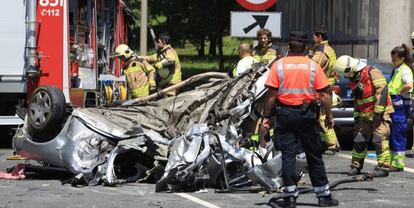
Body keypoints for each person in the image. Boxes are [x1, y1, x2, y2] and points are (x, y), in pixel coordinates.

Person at [261, 31, 338, 207]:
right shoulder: (313, 66)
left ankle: (290, 198)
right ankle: (324, 197)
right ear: (305, 47)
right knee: (314, 155)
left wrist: (266, 118)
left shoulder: (279, 66)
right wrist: (329, 116)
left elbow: (271, 96)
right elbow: (325, 95)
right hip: (307, 115)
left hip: (285, 115)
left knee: (288, 157)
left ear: (289, 45)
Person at [333, 55, 393, 177]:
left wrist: (378, 113)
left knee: (379, 138)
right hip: (364, 113)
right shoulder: (355, 79)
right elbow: (357, 100)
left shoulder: (373, 72)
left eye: (346, 74)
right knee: (359, 139)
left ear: (351, 69)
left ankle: (384, 167)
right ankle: (356, 166)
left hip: (379, 112)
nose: (346, 77)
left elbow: (382, 91)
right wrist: (356, 116)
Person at [309, 26, 340, 152]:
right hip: (327, 84)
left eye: (314, 36)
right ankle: (331, 143)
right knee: (321, 115)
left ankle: (332, 144)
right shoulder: (329, 49)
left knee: (322, 116)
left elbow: (312, 66)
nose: (313, 38)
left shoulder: (321, 50)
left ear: (319, 37)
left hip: (322, 85)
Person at [388, 44, 414, 172]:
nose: (393, 62)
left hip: (400, 105)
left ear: (402, 58)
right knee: (394, 133)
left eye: (394, 60)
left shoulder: (404, 70)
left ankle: (398, 164)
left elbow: (409, 85)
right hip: (396, 105)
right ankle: (393, 162)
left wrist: (399, 93)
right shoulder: (398, 69)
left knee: (398, 133)